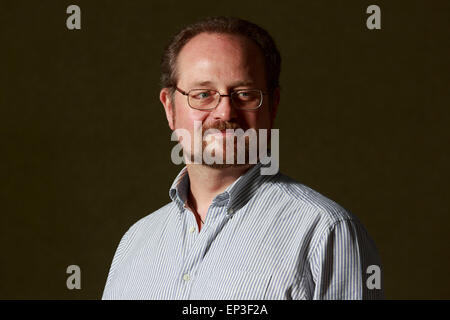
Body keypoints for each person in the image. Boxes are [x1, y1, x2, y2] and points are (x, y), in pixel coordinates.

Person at [102, 16, 384, 300]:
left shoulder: (324, 232)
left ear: (272, 106)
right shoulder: (135, 243)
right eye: (202, 94)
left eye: (245, 94)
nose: (225, 113)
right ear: (170, 108)